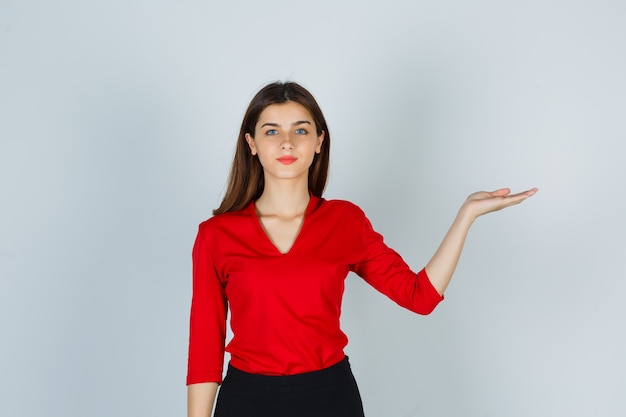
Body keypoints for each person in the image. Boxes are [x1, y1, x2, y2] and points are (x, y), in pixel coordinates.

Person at [186, 81, 537, 417]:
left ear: (320, 141)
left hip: (330, 398)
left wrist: (466, 216)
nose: (287, 143)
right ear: (252, 143)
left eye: (301, 130)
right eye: (272, 131)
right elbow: (204, 352)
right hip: (247, 402)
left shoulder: (346, 221)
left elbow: (420, 296)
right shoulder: (216, 235)